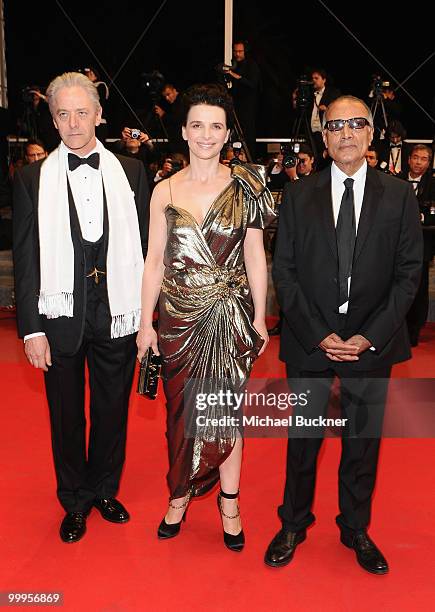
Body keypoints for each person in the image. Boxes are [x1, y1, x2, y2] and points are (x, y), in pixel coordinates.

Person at [265, 95, 422, 573]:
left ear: (370, 134)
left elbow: (409, 273)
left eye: (356, 124)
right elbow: (285, 272)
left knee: (362, 441)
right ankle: (293, 522)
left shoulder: (398, 195)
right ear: (325, 137)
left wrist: (369, 336)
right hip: (311, 341)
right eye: (336, 126)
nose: (346, 133)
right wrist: (318, 334)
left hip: (372, 343)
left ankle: (355, 527)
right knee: (304, 439)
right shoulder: (298, 194)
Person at [136, 83, 275, 552]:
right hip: (177, 319)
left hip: (229, 317)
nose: (206, 134)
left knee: (225, 416)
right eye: (198, 125)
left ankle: (229, 503)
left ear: (226, 133)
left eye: (216, 126)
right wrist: (144, 323)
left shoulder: (248, 184)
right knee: (180, 415)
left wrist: (260, 315)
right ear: (184, 131)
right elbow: (154, 260)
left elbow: (255, 255)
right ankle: (179, 495)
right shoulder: (163, 189)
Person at [13, 72, 150, 544]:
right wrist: (31, 329)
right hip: (59, 317)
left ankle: (103, 490)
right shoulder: (32, 178)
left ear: (98, 114)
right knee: (65, 414)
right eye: (63, 114)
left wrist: (146, 317)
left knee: (112, 409)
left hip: (118, 312)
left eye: (81, 112)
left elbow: (147, 248)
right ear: (52, 120)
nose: (73, 123)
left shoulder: (132, 172)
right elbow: (27, 256)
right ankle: (73, 499)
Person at [398, 144, 435, 346]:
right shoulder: (397, 180)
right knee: (396, 287)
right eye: (416, 157)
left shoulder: (433, 184)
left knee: (419, 290)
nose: (419, 162)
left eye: (424, 159)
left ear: (429, 163)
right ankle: (396, 327)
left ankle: (414, 330)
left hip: (422, 247)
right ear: (409, 159)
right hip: (397, 247)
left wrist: (420, 217)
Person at [225, 40, 262, 162]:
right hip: (235, 107)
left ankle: (250, 160)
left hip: (248, 108)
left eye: (240, 51)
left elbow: (252, 84)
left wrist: (234, 75)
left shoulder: (251, 65)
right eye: (235, 51)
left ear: (245, 51)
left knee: (247, 135)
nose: (237, 54)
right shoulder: (234, 65)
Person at [153, 83, 187, 155]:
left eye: (168, 94)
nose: (167, 98)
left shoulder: (181, 100)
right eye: (165, 96)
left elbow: (179, 118)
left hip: (183, 141)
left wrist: (163, 114)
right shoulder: (175, 103)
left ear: (174, 90)